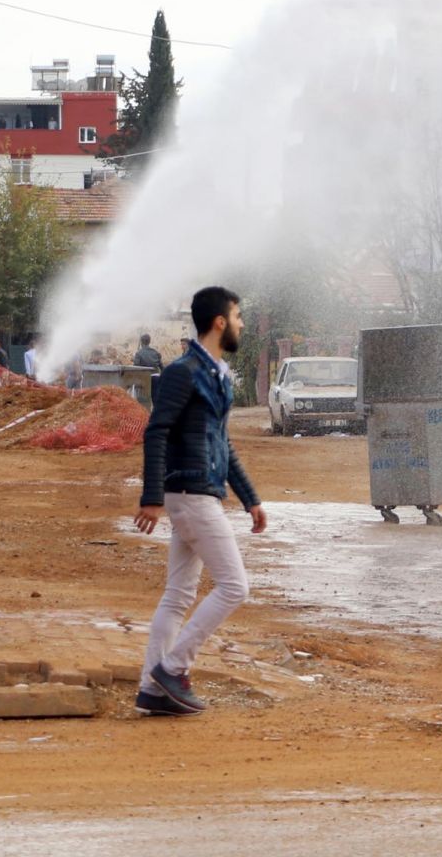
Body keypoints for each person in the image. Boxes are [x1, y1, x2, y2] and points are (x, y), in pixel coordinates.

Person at [134, 286, 266, 717]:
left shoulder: (215, 374)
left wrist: (250, 499)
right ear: (220, 322)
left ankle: (151, 690)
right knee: (234, 586)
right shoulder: (183, 371)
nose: (242, 324)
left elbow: (222, 443)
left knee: (177, 595)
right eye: (239, 315)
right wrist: (152, 496)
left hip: (198, 491)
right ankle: (173, 670)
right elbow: (157, 431)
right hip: (190, 494)